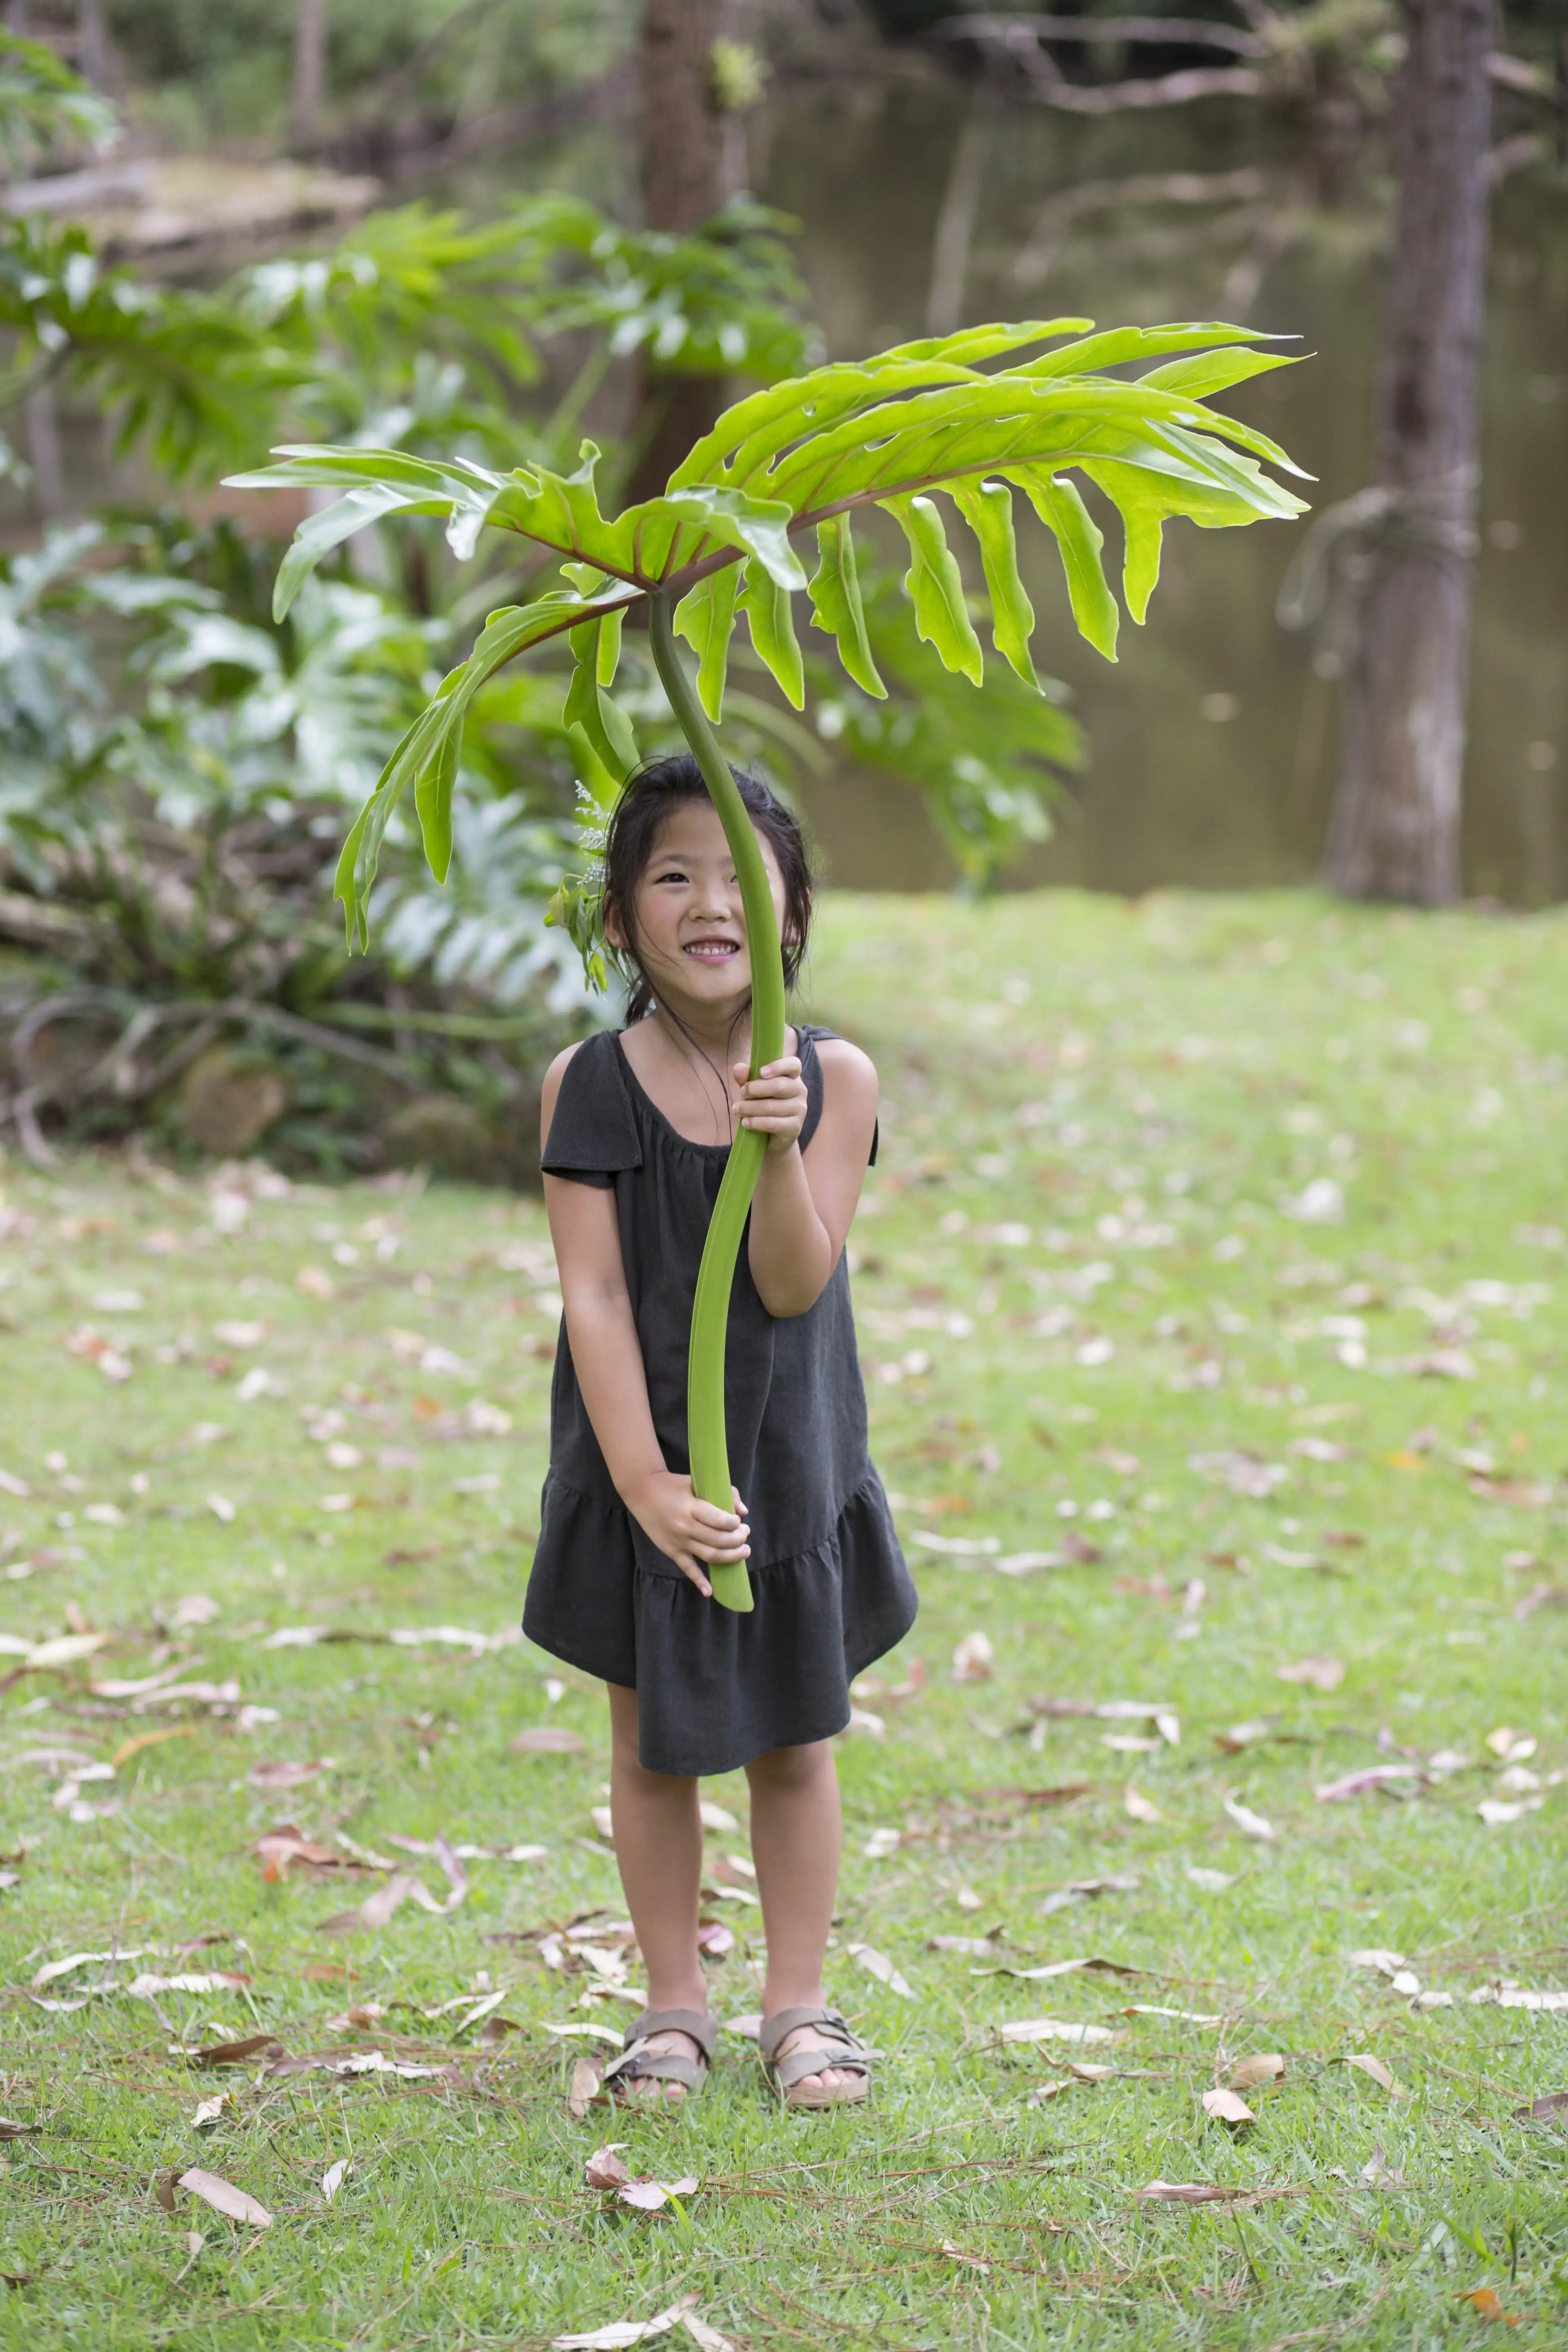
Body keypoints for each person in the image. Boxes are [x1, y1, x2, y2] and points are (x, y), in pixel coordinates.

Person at [524, 752, 917, 2108]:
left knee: (794, 1740)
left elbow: (794, 1283)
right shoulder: (588, 1082)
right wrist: (642, 1482)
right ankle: (671, 2010)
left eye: (742, 875)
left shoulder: (836, 1076)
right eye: (672, 875)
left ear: (793, 911)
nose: (711, 903)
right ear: (619, 916)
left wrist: (781, 1141)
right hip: (644, 1459)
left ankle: (797, 2007)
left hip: (786, 1453)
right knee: (652, 1740)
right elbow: (593, 1293)